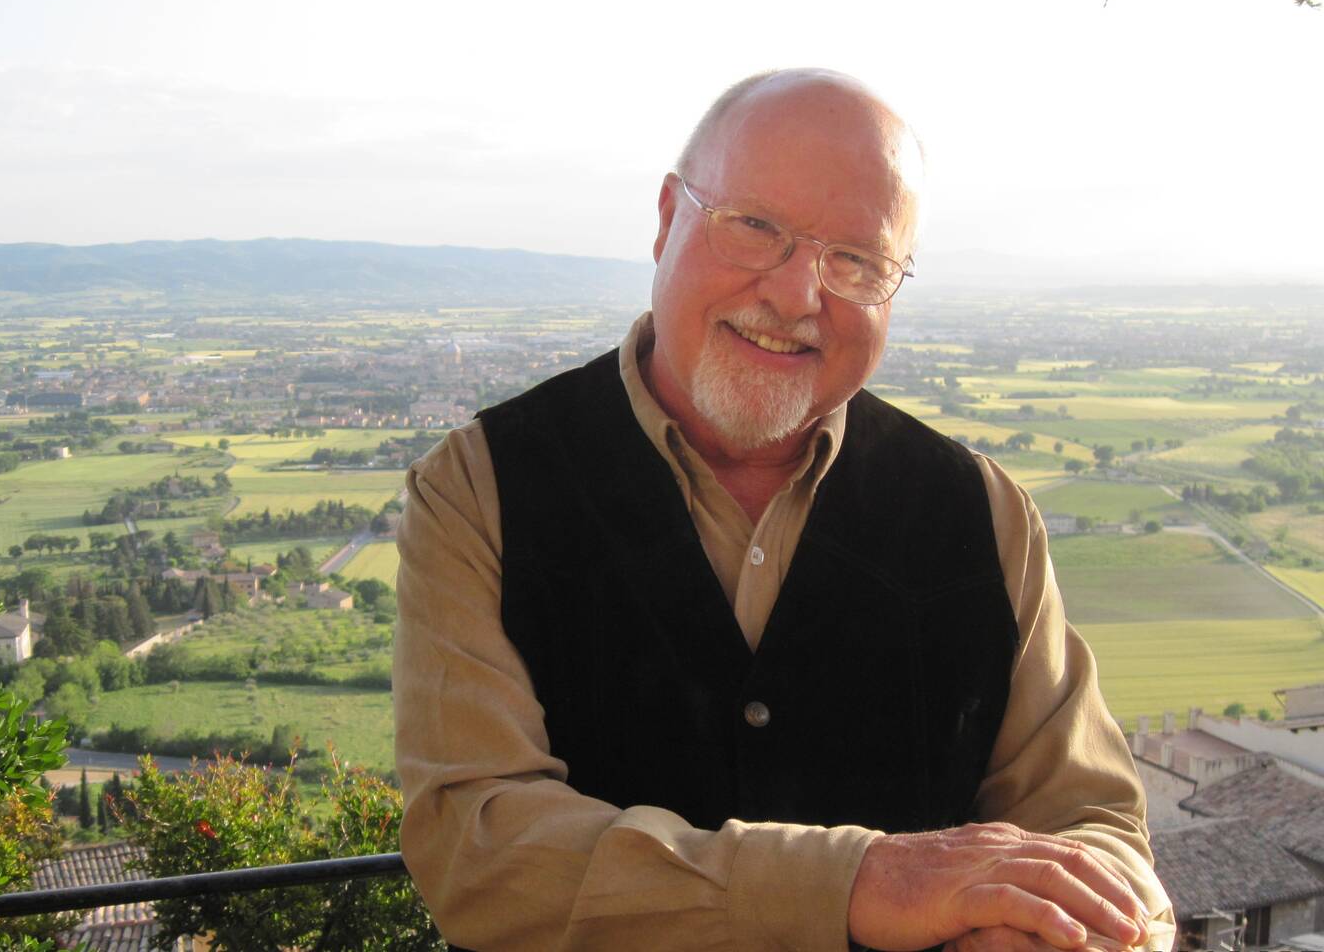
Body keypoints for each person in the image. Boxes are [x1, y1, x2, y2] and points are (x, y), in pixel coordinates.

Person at [393, 68, 1174, 951]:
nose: (799, 294)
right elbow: (477, 845)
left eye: (857, 260)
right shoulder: (482, 488)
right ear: (665, 220)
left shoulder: (985, 515)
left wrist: (1061, 933)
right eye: (757, 227)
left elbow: (1097, 827)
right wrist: (857, 884)